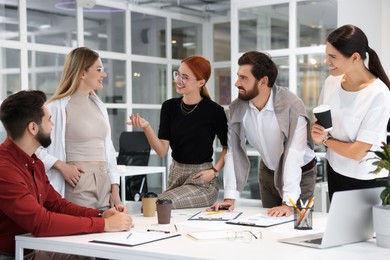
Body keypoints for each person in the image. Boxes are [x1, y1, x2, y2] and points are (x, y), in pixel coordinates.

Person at [0, 90, 133, 259]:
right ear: (33, 128)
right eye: (48, 119)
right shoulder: (5, 169)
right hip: (14, 255)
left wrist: (101, 214)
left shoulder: (34, 162)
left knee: (85, 253)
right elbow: (41, 223)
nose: (53, 124)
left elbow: (58, 206)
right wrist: (104, 224)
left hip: (33, 247)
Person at [210, 51, 317, 217]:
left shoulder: (292, 106)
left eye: (244, 78)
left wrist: (288, 203)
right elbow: (233, 152)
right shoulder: (236, 109)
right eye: (238, 76)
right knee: (267, 226)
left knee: (296, 227)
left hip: (300, 175)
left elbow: (293, 155)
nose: (237, 83)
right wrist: (229, 198)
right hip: (268, 172)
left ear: (263, 81)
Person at [128, 55, 228, 209]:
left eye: (185, 77)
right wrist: (146, 127)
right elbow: (162, 151)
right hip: (175, 175)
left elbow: (229, 148)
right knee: (155, 208)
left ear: (201, 82)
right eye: (178, 74)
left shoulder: (214, 111)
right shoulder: (169, 107)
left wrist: (214, 171)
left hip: (202, 181)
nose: (179, 80)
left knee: (155, 206)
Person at [36, 47, 122, 210]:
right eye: (99, 70)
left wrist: (115, 188)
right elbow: (34, 149)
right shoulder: (55, 108)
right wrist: (61, 165)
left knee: (112, 231)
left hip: (105, 183)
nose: (103, 75)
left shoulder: (99, 106)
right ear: (82, 73)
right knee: (82, 233)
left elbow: (108, 149)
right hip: (77, 183)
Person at [311, 24, 390, 202]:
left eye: (333, 57)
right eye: (327, 55)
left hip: (366, 179)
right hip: (335, 171)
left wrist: (325, 140)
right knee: (339, 228)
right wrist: (318, 133)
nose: (327, 62)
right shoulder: (331, 82)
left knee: (368, 231)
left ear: (355, 57)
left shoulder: (379, 93)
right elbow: (324, 126)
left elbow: (358, 152)